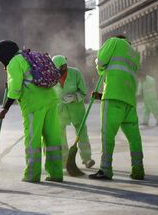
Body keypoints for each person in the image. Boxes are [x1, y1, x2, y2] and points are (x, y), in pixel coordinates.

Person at [0, 40, 63, 182]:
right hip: (50, 100)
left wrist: (5, 108)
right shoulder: (29, 55)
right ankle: (56, 173)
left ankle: (32, 174)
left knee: (32, 139)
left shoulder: (14, 62)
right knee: (53, 137)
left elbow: (15, 89)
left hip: (33, 105)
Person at [89, 35, 144, 180]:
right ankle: (138, 169)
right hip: (130, 101)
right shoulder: (134, 53)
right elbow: (124, 75)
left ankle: (105, 169)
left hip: (113, 98)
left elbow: (100, 61)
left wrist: (100, 69)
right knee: (134, 138)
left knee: (108, 135)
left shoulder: (114, 41)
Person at [51, 55, 95, 168]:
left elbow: (83, 92)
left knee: (82, 133)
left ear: (64, 66)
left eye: (60, 69)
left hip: (76, 109)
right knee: (60, 136)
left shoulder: (76, 73)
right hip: (60, 111)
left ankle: (87, 159)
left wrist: (74, 97)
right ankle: (64, 161)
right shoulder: (52, 76)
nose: (57, 73)